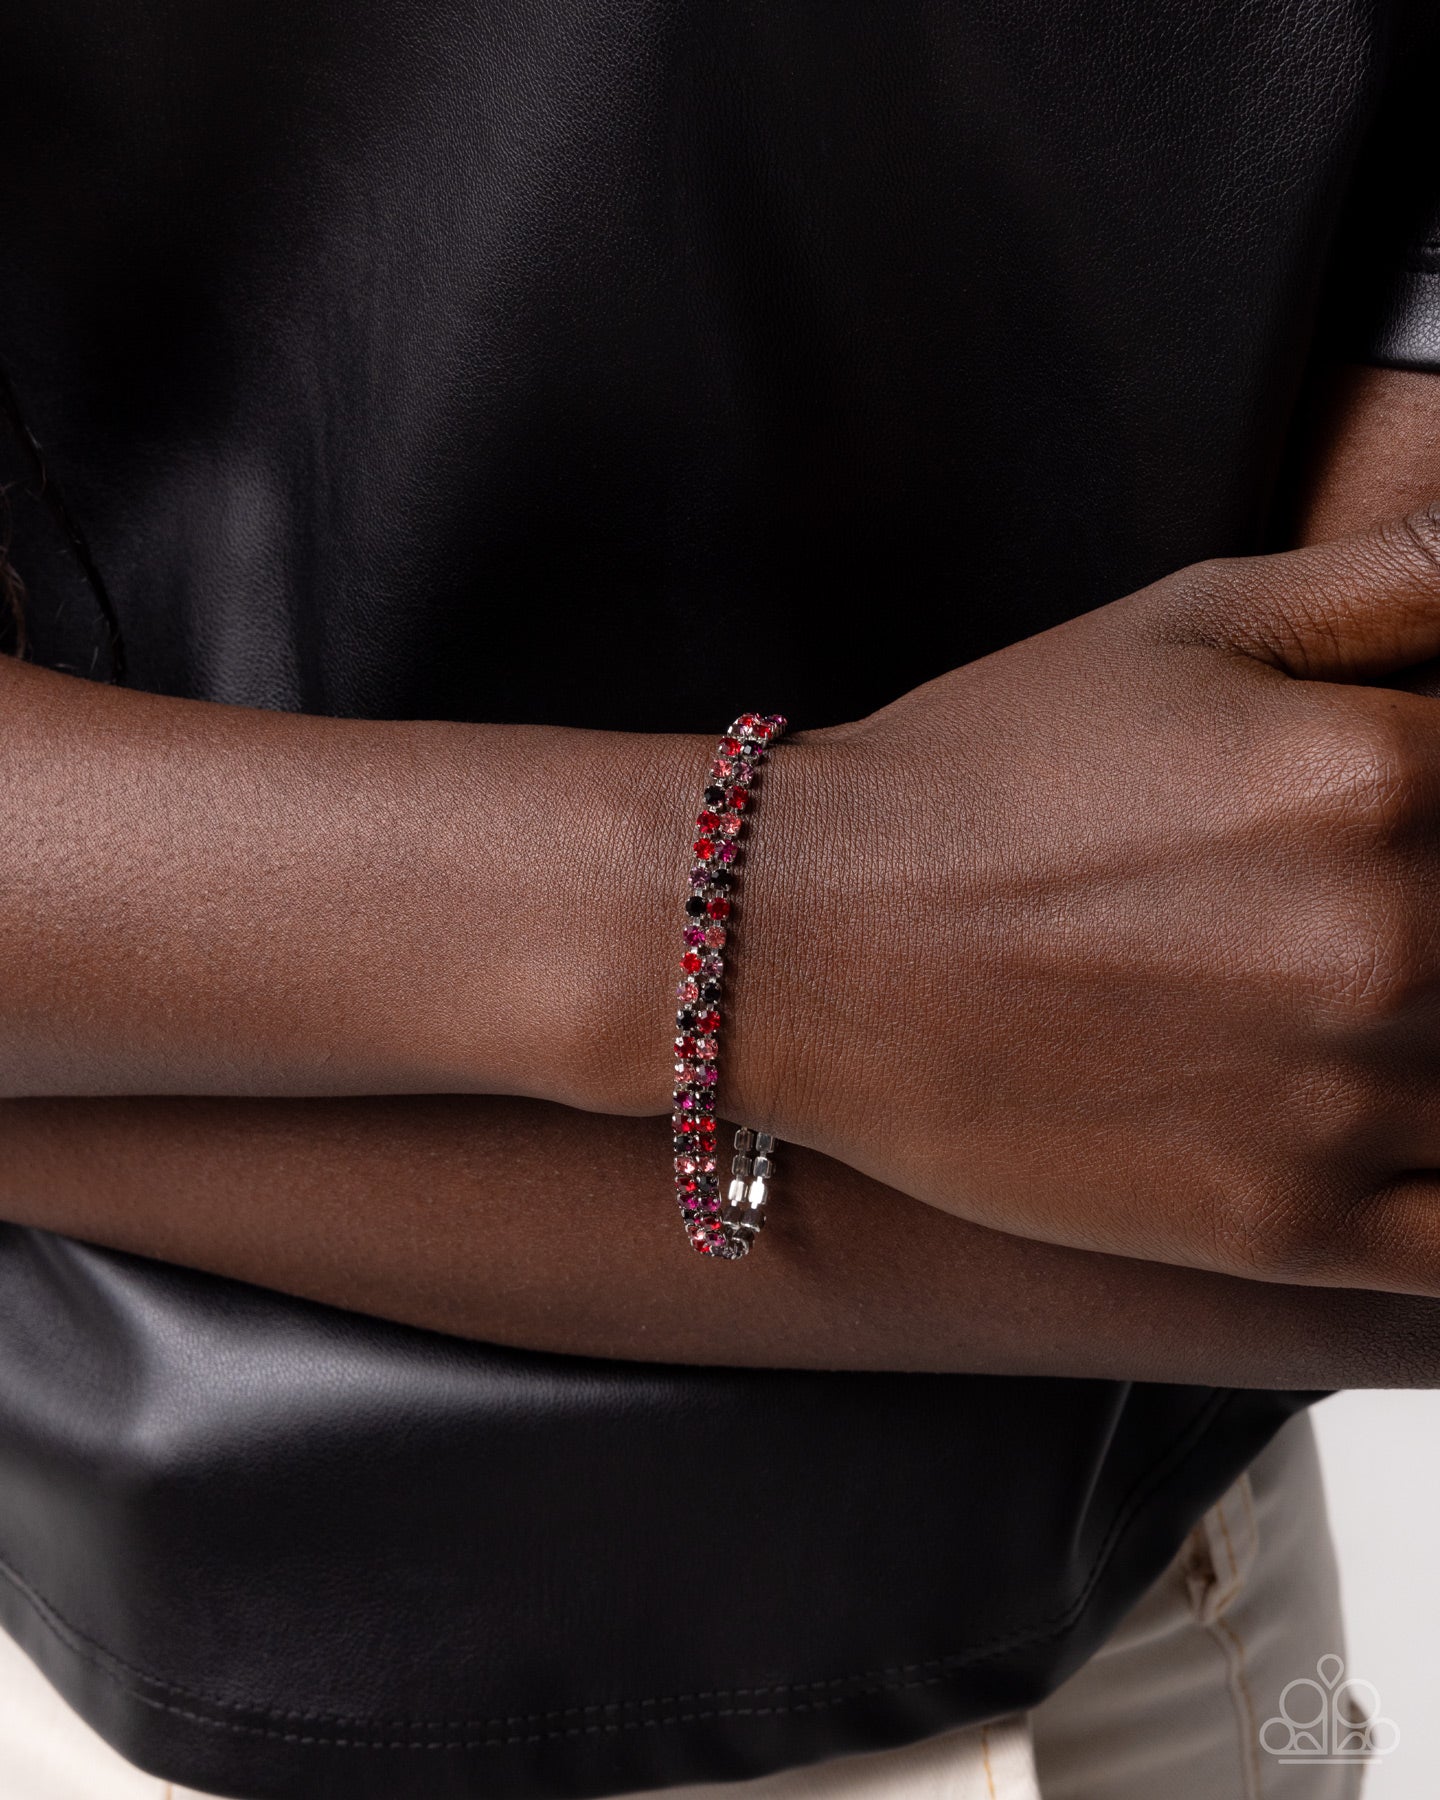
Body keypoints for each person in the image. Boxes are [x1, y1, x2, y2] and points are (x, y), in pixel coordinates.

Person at [0, 1, 1437, 1796]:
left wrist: (85, 1029)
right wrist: (804, 932)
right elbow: (1236, 1075)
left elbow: (1355, 1104)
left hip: (1062, 1652)